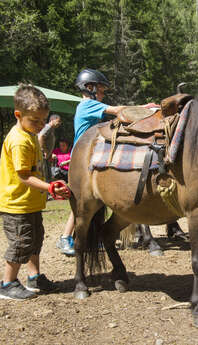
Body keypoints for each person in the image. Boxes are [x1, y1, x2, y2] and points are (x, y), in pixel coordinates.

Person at [0, 84, 70, 300]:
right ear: (18, 115)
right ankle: (7, 284)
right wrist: (49, 187)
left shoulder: (30, 135)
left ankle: (33, 277)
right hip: (16, 204)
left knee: (35, 240)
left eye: (43, 120)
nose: (40, 125)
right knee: (21, 243)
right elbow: (23, 176)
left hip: (30, 202)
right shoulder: (19, 140)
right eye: (34, 120)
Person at [56, 68, 126, 256]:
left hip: (89, 157)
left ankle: (88, 238)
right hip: (82, 160)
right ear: (89, 88)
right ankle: (65, 238)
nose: (103, 94)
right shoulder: (88, 105)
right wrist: (144, 109)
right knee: (80, 204)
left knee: (90, 204)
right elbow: (117, 111)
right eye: (101, 90)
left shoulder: (90, 106)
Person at [38, 114, 62, 181]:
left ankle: (48, 189)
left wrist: (50, 154)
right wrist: (44, 150)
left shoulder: (51, 129)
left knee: (48, 176)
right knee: (44, 175)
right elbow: (40, 137)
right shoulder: (47, 127)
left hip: (47, 156)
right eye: (58, 121)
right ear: (52, 120)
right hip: (43, 155)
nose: (59, 123)